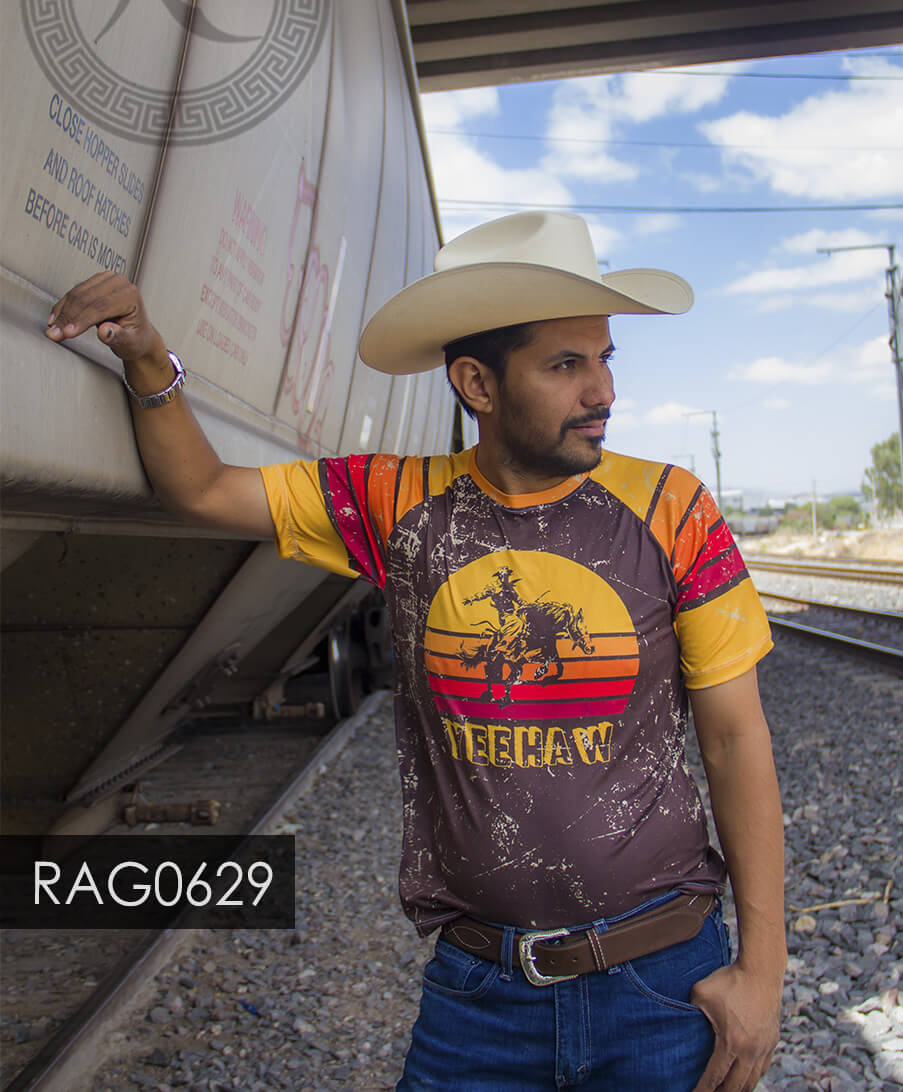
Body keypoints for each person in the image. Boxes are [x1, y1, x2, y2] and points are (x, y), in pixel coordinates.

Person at [46, 211, 785, 1092]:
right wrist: (145, 362)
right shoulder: (392, 500)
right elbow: (202, 492)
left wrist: (762, 977)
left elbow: (735, 741)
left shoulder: (671, 508)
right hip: (477, 997)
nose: (602, 393)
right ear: (476, 381)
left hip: (662, 982)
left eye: (604, 359)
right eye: (564, 364)